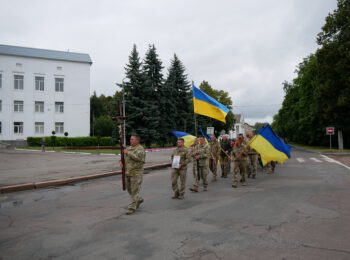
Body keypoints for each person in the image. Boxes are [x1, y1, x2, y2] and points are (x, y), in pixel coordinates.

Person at [120, 134, 146, 215]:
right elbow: (124, 157)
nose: (130, 140)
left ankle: (132, 208)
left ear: (137, 141)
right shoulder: (129, 148)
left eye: (132, 139)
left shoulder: (140, 149)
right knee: (129, 189)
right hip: (128, 172)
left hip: (136, 173)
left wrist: (128, 153)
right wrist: (121, 162)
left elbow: (139, 159)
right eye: (130, 139)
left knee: (134, 191)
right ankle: (138, 199)